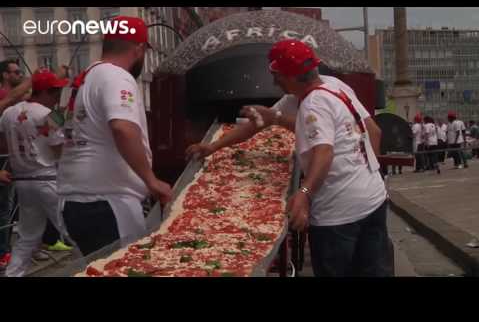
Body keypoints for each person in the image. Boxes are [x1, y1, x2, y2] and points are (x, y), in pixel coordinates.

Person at [187, 40, 390, 277]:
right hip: (373, 199)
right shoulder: (334, 86)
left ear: (291, 76)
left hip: (337, 215)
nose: (274, 81)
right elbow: (374, 132)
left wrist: (303, 195)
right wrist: (212, 146)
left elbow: (323, 152)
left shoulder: (314, 103)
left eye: (277, 75)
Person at [57, 16, 173, 257]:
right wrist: (151, 180)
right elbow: (122, 128)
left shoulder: (86, 77)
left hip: (77, 200)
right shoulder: (117, 76)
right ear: (139, 49)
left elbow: (59, 135)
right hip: (107, 203)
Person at [0, 69, 68, 277]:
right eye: (56, 91)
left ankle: (13, 274)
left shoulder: (8, 113)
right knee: (72, 229)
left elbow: (2, 143)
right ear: (45, 91)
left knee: (28, 236)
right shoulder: (47, 115)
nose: (58, 96)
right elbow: (60, 151)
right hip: (48, 180)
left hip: (22, 181)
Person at [0, 59, 35, 271]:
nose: (20, 74)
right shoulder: (6, 97)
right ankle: (4, 251)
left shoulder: (19, 101)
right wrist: (35, 77)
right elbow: (13, 97)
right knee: (4, 210)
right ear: (5, 75)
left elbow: (26, 96)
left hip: (11, 161)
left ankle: (10, 250)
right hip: (4, 161)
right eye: (15, 72)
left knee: (10, 208)